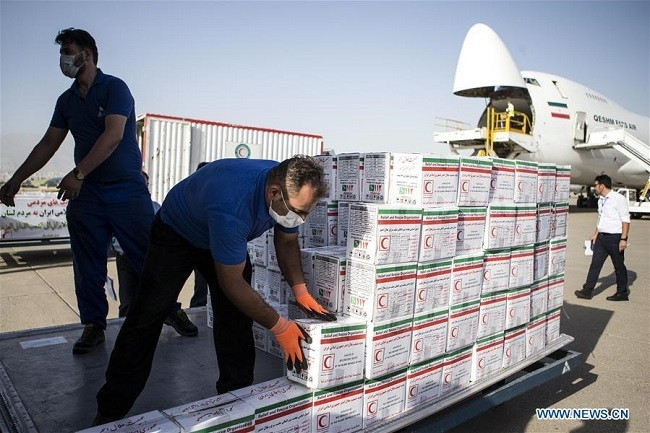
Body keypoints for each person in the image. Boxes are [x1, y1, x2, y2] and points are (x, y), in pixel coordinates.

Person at [94, 155, 335, 424]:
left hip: (219, 227)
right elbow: (231, 281)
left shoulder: (284, 183)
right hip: (177, 233)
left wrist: (300, 290)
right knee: (147, 316)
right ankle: (110, 411)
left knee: (235, 320)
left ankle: (237, 400)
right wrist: (279, 327)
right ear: (273, 193)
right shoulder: (234, 206)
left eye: (306, 212)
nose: (300, 219)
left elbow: (287, 242)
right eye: (298, 212)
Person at [0, 28, 166, 354]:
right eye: (62, 52)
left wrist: (77, 172)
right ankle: (93, 324)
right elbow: (49, 143)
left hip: (126, 190)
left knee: (148, 255)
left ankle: (169, 309)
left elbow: (114, 135)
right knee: (87, 263)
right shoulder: (66, 101)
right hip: (88, 194)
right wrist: (16, 178)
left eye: (67, 51)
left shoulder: (115, 88)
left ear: (86, 54)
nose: (63, 59)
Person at [111, 172, 198, 337]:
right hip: (125, 259)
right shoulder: (117, 209)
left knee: (161, 294)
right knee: (128, 302)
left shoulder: (155, 207)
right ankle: (127, 335)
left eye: (144, 185)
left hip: (151, 256)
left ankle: (173, 315)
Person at [575, 174, 631, 301]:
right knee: (595, 264)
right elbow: (601, 218)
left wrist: (623, 239)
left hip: (615, 238)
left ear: (602, 185)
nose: (594, 187)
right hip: (601, 237)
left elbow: (626, 220)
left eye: (596, 185)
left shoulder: (618, 199)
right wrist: (596, 233)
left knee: (619, 266)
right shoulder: (601, 199)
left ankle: (622, 293)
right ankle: (587, 291)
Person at [189, 161, 210, 308]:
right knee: (202, 286)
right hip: (196, 246)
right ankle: (198, 307)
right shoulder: (191, 194)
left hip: (212, 247)